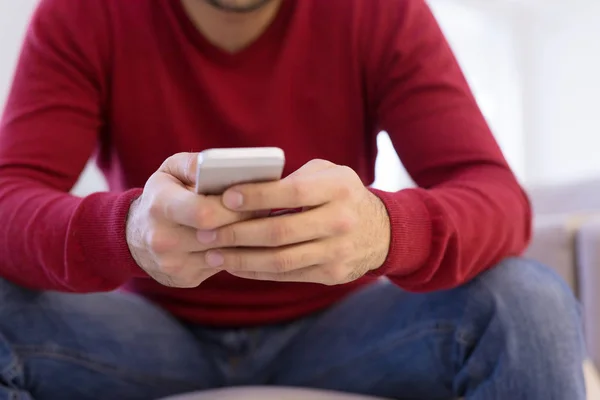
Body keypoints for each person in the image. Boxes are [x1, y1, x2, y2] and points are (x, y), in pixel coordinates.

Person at [0, 0, 585, 399]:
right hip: (146, 331)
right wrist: (122, 229)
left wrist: (385, 228)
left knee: (527, 302)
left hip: (340, 331)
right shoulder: (85, 13)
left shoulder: (374, 11)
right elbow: (8, 197)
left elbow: (495, 194)